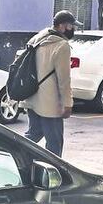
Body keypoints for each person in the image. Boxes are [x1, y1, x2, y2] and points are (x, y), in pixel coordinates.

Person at [22, 10, 78, 157]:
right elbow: (64, 79)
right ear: (61, 26)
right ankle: (55, 173)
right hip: (50, 104)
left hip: (32, 96)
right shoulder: (62, 46)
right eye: (71, 26)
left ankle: (18, 157)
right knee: (54, 143)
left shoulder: (37, 39)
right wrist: (68, 104)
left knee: (32, 135)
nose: (73, 29)